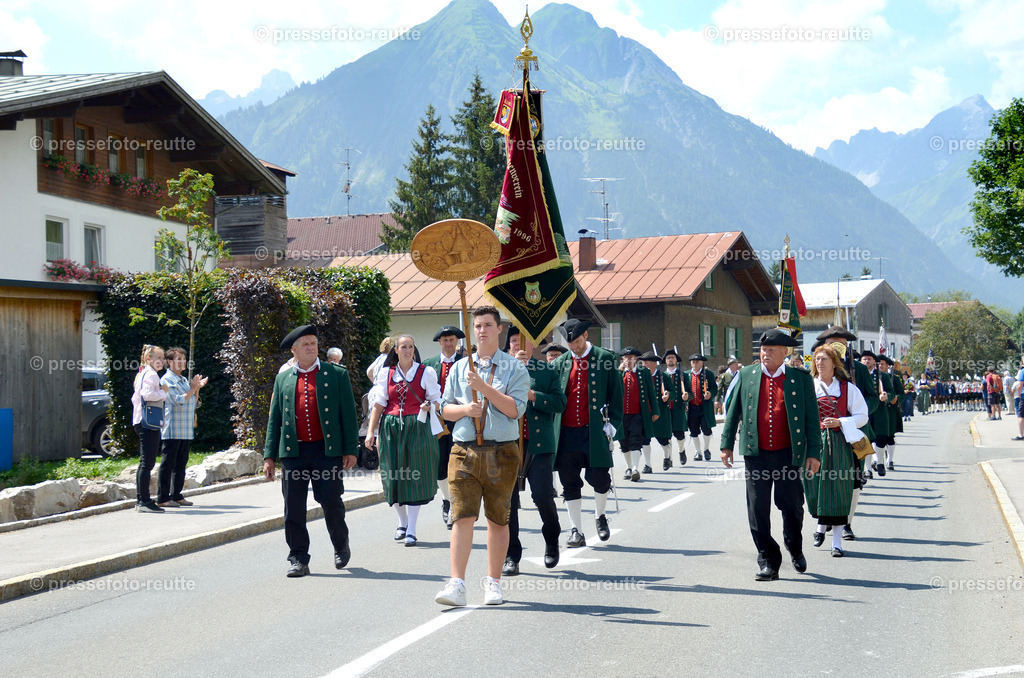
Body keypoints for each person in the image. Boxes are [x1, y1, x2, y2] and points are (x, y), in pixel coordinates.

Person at [435, 307, 529, 607]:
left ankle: (493, 582)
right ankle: (457, 584)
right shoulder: (460, 368)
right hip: (464, 451)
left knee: (498, 519)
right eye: (477, 326)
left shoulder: (515, 369)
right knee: (461, 516)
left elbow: (515, 410)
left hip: (502, 452)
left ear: (499, 329)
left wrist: (483, 388)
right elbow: (444, 409)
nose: (482, 330)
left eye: (488, 325)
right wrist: (465, 409)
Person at [719, 328, 822, 581]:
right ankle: (768, 560)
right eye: (763, 350)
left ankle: (794, 547)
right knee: (757, 509)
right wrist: (726, 444)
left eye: (771, 350)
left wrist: (814, 453)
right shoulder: (746, 374)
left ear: (785, 353)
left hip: (789, 454)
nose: (765, 354)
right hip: (756, 455)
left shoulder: (800, 378)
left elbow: (811, 419)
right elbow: (733, 411)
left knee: (793, 507)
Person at [263, 324, 359, 578]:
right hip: (293, 453)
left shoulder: (336, 374)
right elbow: (275, 419)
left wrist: (350, 449)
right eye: (305, 344)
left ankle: (341, 545)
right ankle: (298, 558)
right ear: (294, 350)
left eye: (314, 344)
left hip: (326, 452)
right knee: (293, 507)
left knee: (330, 501)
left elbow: (348, 415)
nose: (311, 348)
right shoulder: (283, 378)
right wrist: (269, 456)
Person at [551, 319, 624, 548]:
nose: (574, 346)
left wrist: (611, 427)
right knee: (569, 483)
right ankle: (577, 531)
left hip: (595, 432)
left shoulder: (605, 358)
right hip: (567, 434)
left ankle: (600, 516)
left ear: (586, 335)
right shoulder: (560, 363)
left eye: (578, 341)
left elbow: (616, 397)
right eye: (570, 343)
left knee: (600, 479)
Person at [364, 334, 441, 546]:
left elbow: (437, 401)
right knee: (393, 474)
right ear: (395, 350)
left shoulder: (426, 372)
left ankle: (412, 529)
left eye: (411, 347)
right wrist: (371, 432)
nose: (408, 350)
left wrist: (429, 406)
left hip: (417, 427)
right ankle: (402, 521)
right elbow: (378, 404)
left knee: (415, 476)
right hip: (391, 428)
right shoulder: (386, 374)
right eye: (403, 347)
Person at [503, 326, 566, 575]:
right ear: (509, 346)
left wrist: (532, 395)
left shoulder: (546, 370)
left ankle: (552, 540)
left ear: (533, 346)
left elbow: (559, 403)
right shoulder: (502, 371)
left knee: (542, 496)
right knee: (509, 502)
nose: (520, 346)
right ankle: (511, 555)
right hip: (509, 443)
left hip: (539, 445)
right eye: (515, 341)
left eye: (524, 342)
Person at [813, 325, 877, 539]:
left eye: (841, 341)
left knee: (853, 479)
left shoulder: (858, 368)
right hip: (825, 432)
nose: (837, 345)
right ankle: (826, 518)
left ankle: (846, 522)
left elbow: (872, 397)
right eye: (832, 343)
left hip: (853, 431)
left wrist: (851, 416)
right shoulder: (817, 367)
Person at [805, 345, 868, 557]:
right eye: (817, 359)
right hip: (814, 442)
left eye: (824, 359)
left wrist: (840, 421)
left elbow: (862, 416)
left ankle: (837, 543)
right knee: (816, 487)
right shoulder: (808, 386)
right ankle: (821, 526)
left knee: (839, 490)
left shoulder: (848, 389)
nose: (819, 363)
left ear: (834, 363)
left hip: (840, 443)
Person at [423, 325, 466, 529]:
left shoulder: (467, 363)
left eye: (451, 340)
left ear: (456, 342)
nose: (448, 344)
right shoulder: (428, 365)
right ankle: (447, 501)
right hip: (436, 422)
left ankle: (458, 505)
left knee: (459, 465)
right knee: (440, 466)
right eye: (445, 340)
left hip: (461, 420)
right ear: (439, 342)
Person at [156, 347, 207, 508]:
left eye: (184, 359)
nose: (182, 362)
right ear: (169, 362)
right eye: (178, 359)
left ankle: (177, 495)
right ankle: (163, 497)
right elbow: (178, 400)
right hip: (172, 429)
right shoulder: (166, 380)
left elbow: (194, 403)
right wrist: (193, 388)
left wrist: (196, 388)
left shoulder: (184, 380)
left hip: (185, 429)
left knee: (181, 464)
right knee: (168, 464)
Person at [131, 345, 169, 513]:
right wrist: (164, 392)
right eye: (158, 358)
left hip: (141, 420)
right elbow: (148, 395)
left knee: (145, 463)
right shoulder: (151, 374)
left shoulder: (143, 373)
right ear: (149, 359)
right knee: (147, 463)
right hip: (147, 422)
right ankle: (144, 501)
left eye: (163, 358)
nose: (162, 361)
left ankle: (142, 499)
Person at [617, 347, 658, 480]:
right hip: (622, 414)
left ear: (636, 359)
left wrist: (655, 411)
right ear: (622, 359)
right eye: (626, 357)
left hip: (638, 414)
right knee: (624, 441)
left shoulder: (643, 372)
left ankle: (635, 468)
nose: (628, 360)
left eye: (631, 357)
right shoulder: (618, 373)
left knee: (636, 440)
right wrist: (619, 371)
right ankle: (629, 467)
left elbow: (651, 393)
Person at [861, 351, 893, 477]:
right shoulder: (859, 375)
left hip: (880, 411)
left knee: (880, 439)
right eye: (864, 359)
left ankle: (880, 462)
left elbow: (891, 393)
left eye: (869, 359)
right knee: (866, 440)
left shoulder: (882, 376)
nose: (866, 361)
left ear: (874, 361)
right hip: (865, 410)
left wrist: (887, 396)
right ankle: (868, 469)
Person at [682, 353, 718, 462]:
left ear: (702, 363)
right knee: (693, 431)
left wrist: (710, 394)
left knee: (706, 430)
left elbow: (714, 389)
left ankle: (706, 449)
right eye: (693, 362)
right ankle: (698, 452)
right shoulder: (686, 375)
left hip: (704, 407)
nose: (695, 364)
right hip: (692, 407)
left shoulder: (708, 374)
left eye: (697, 362)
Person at [640, 351, 673, 471]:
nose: (643, 365)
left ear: (653, 363)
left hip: (661, 413)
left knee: (663, 440)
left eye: (646, 362)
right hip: (646, 412)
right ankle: (648, 464)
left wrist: (668, 394)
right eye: (642, 362)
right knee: (645, 439)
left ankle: (667, 457)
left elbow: (674, 392)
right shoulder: (641, 376)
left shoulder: (664, 376)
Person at [662, 348, 689, 465]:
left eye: (672, 357)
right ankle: (669, 457)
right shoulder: (661, 376)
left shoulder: (683, 375)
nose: (670, 359)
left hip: (678, 408)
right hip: (665, 409)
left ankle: (681, 451)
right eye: (668, 358)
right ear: (665, 361)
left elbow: (690, 392)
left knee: (679, 434)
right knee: (666, 435)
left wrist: (687, 396)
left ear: (676, 360)